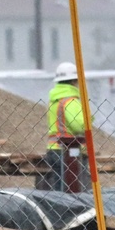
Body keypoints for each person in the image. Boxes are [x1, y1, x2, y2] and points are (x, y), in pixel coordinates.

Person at [36, 61, 89, 192]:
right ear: (74, 81)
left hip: (54, 149)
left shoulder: (54, 100)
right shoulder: (71, 101)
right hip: (69, 151)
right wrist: (88, 119)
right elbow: (79, 126)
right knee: (72, 189)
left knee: (59, 188)